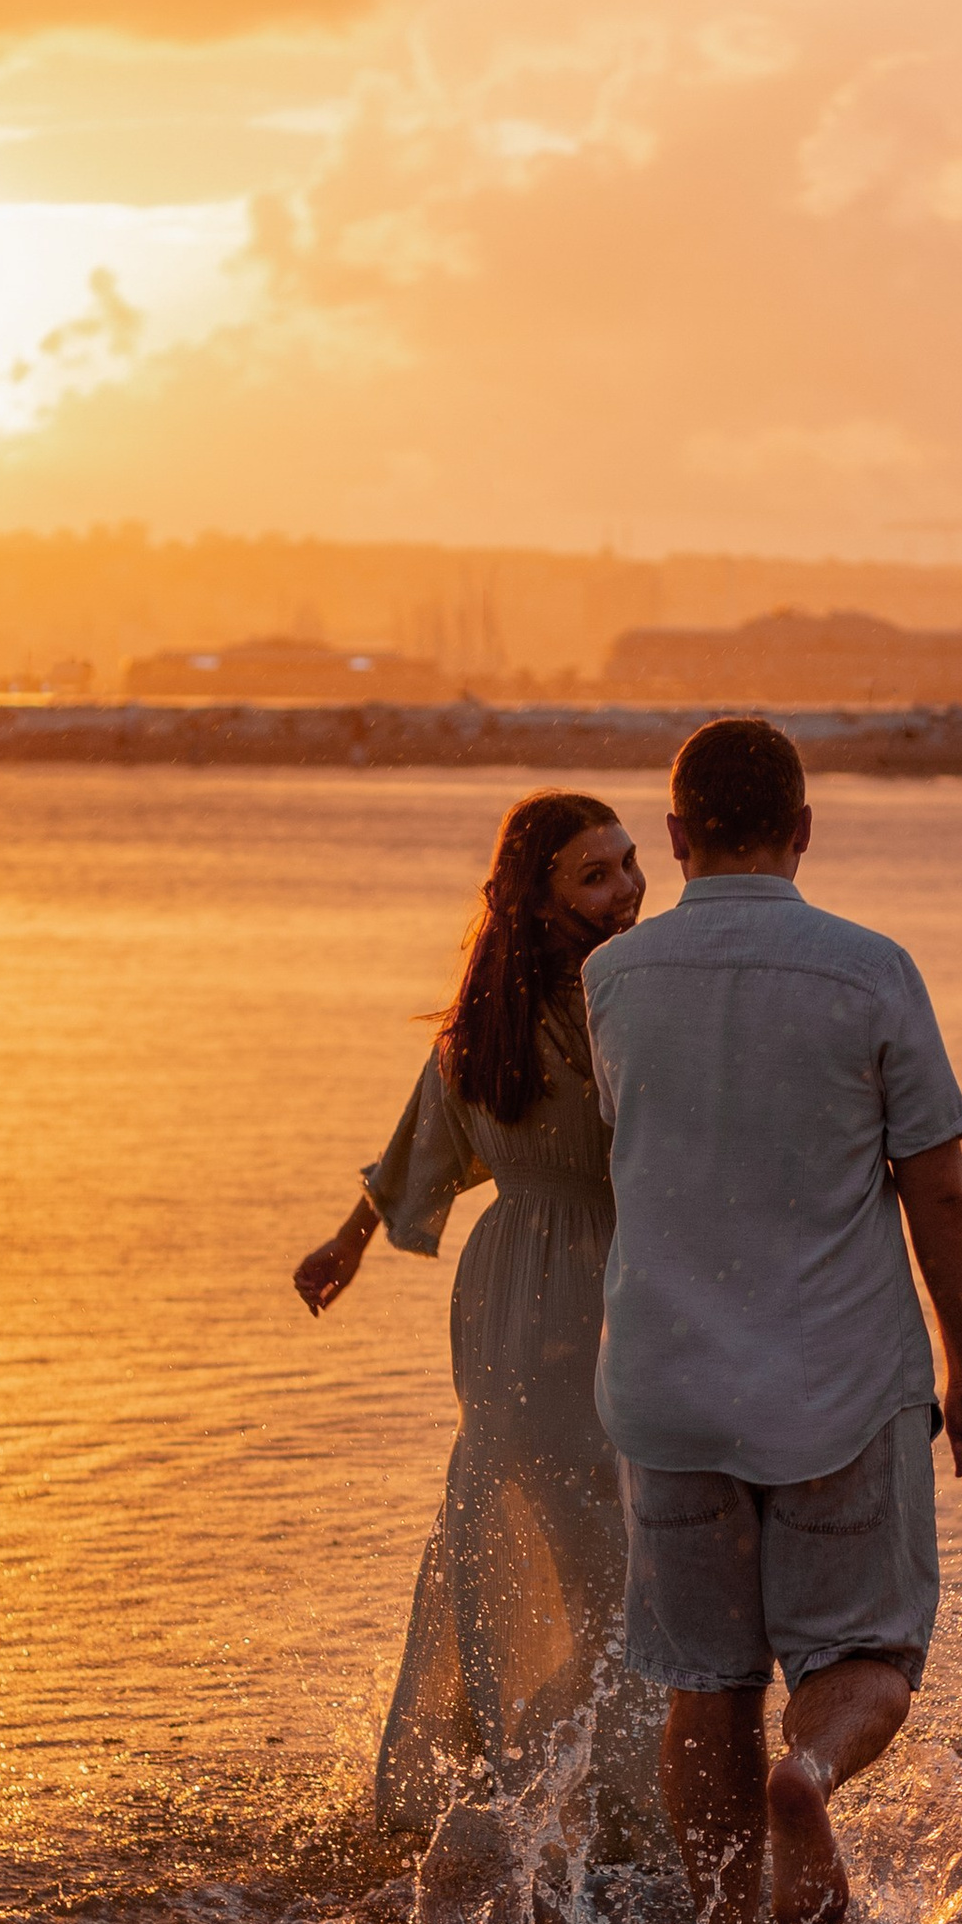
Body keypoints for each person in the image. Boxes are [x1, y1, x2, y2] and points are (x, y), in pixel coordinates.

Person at [583, 717, 962, 1924]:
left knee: (703, 1684)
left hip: (667, 1392)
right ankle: (811, 1783)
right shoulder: (869, 972)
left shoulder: (613, 983)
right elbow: (934, 1184)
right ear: (805, 830)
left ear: (675, 838)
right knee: (874, 1655)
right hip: (841, 1383)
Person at [293, 791, 657, 1850]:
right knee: (565, 1534)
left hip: (585, 1286)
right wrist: (348, 1240)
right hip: (547, 1298)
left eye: (629, 863)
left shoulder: (626, 991)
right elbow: (424, 1138)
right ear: (535, 901)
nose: (626, 889)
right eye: (594, 875)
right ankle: (579, 1785)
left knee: (595, 1536)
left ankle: (567, 1769)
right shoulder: (501, 1022)